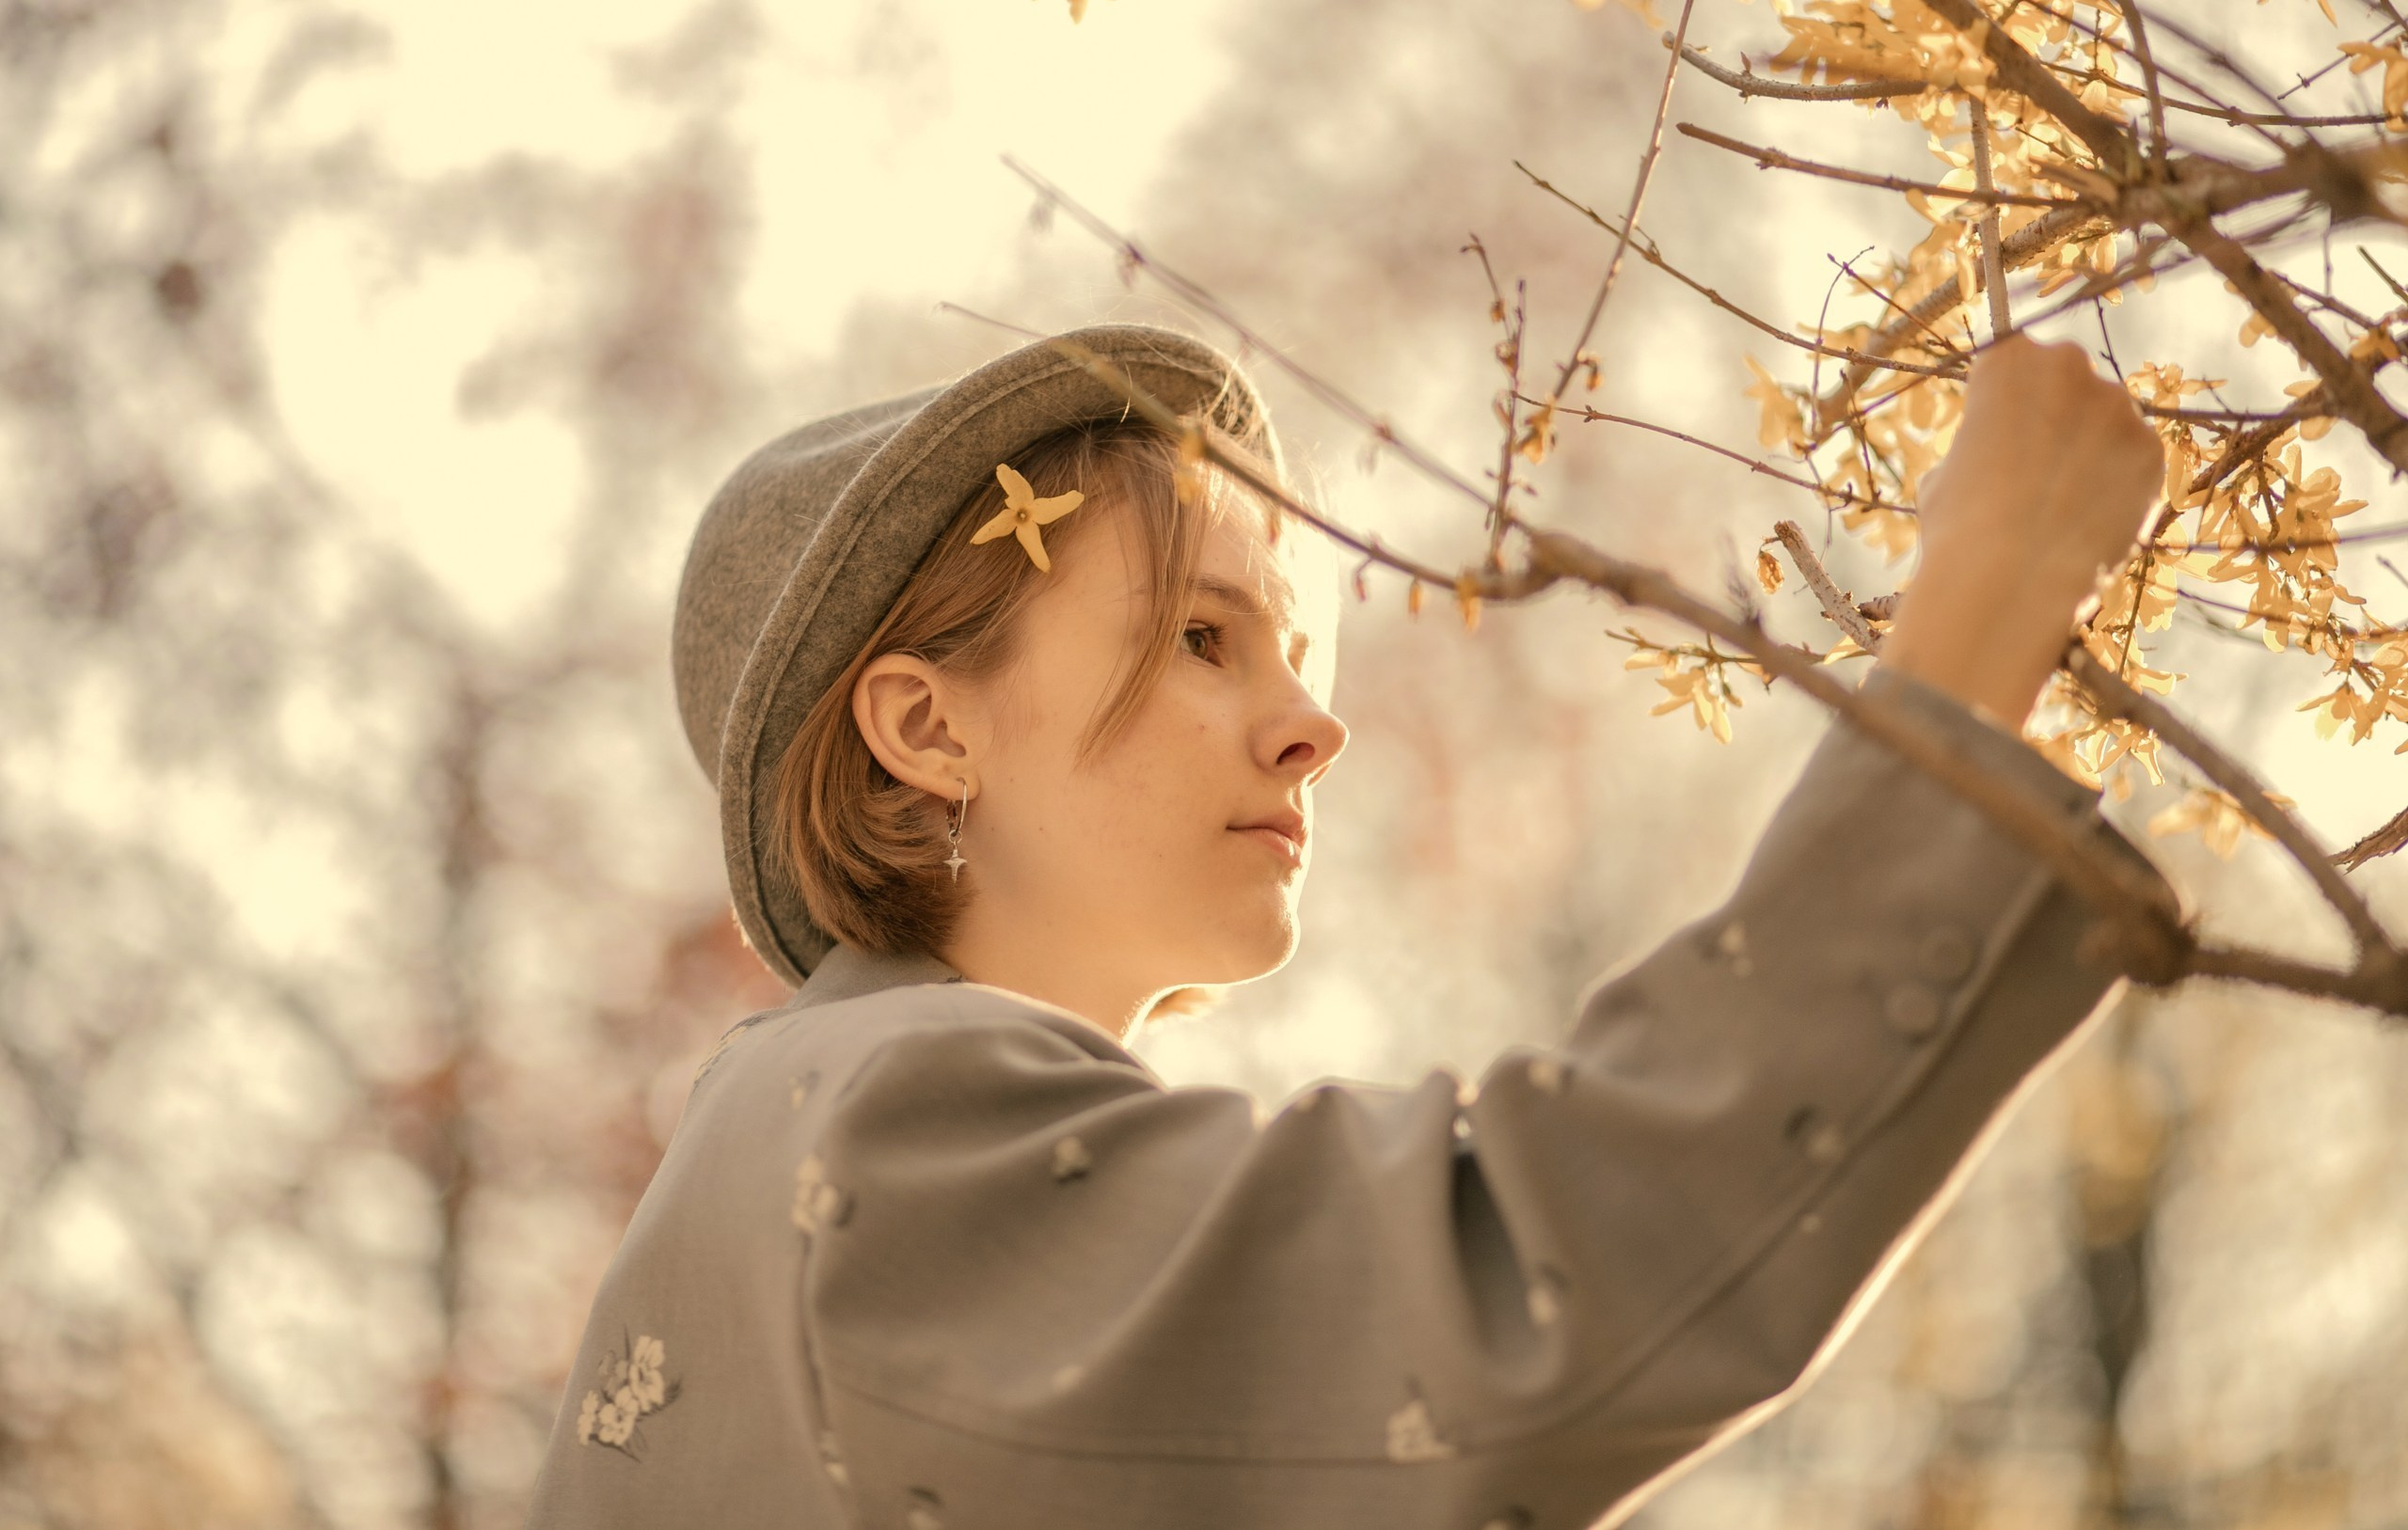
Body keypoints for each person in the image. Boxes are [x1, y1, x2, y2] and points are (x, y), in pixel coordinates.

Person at [524, 321, 2171, 1529]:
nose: (1315, 725)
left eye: (1294, 652)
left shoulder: (820, 1136)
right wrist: (1972, 641)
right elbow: (1506, 1300)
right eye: (1201, 637)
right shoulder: (884, 1124)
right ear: (928, 728)